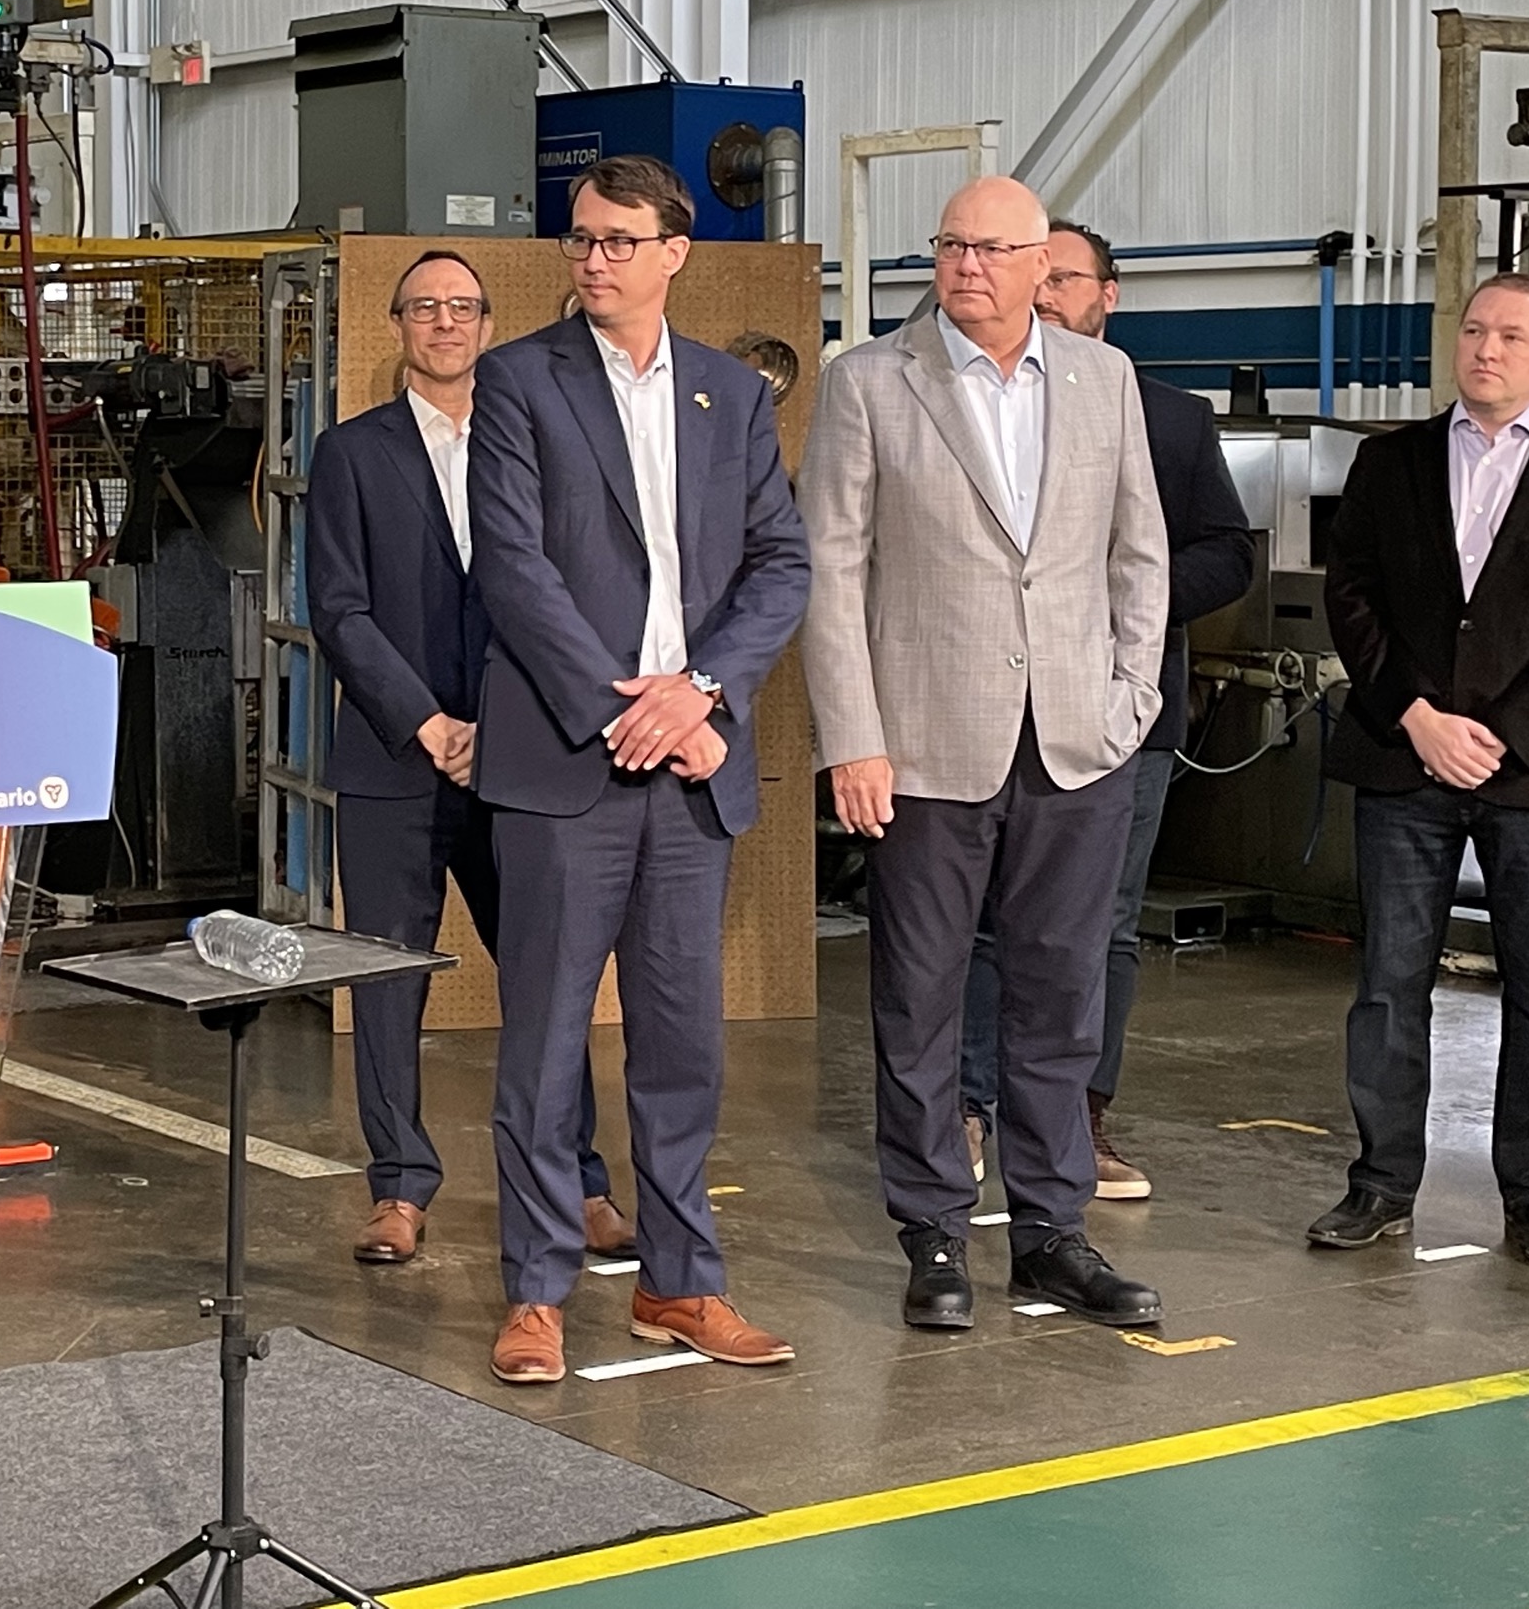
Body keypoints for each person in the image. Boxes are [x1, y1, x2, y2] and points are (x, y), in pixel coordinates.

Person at [799, 174, 1168, 1333]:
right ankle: (934, 1234)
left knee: (1060, 996)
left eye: (991, 249)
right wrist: (853, 739)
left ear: (1038, 264)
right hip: (920, 752)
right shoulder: (869, 381)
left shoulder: (1103, 381)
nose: (965, 266)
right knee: (918, 999)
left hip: (1073, 745)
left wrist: (1129, 700)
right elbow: (831, 571)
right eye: (949, 245)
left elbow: (1136, 555)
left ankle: (1054, 1233)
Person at [469, 154, 811, 1385]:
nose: (594, 260)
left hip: (692, 764)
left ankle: (680, 1284)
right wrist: (627, 711)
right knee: (545, 1044)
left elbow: (781, 566)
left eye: (619, 241)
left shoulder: (729, 396)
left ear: (675, 252)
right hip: (572, 763)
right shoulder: (518, 383)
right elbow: (511, 570)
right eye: (581, 241)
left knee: (682, 1045)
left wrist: (699, 692)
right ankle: (537, 1292)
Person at [307, 249, 634, 1267]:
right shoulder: (350, 453)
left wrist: (501, 724)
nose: (444, 322)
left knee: (547, 976)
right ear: (398, 325)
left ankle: (576, 1181)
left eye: (462, 307)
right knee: (388, 978)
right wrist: (428, 723)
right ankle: (399, 1189)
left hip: (522, 756)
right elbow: (340, 611)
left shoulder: (539, 444)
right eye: (424, 308)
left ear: (488, 324)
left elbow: (567, 598)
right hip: (394, 758)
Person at [1310, 271, 1529, 1269]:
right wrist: (1416, 718)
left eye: (1509, 337)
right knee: (1388, 985)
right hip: (1404, 763)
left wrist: (1496, 735)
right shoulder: (1389, 464)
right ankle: (1379, 1187)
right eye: (1472, 331)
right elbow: (1351, 596)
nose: (1484, 349)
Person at [957, 223, 1252, 1200]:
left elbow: (1225, 551)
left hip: (1122, 717)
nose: (1045, 295)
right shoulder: (968, 407)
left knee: (1103, 927)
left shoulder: (1164, 416)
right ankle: (967, 1106)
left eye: (1065, 278)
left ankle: (1083, 1116)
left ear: (1108, 296)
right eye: (1031, 275)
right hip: (990, 709)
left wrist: (1126, 595)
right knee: (990, 920)